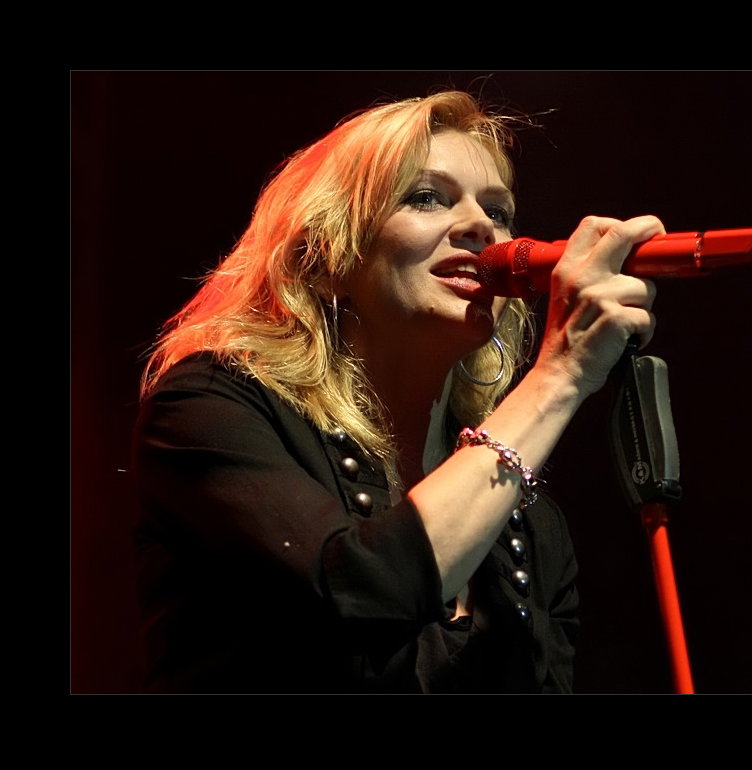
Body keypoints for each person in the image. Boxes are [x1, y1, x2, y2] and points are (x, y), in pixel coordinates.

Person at [132, 89, 662, 693]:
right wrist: (559, 376)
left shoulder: (529, 523)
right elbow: (358, 592)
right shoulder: (208, 411)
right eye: (427, 197)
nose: (480, 226)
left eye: (498, 210)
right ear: (325, 258)